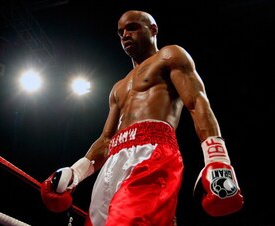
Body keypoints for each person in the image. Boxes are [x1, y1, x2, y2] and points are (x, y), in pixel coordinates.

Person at [40, 10, 244, 226]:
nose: (125, 35)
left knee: (130, 221)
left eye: (133, 27)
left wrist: (217, 159)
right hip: (112, 162)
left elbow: (197, 103)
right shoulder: (118, 88)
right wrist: (75, 173)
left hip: (153, 151)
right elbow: (106, 139)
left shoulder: (170, 55)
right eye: (120, 32)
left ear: (153, 29)